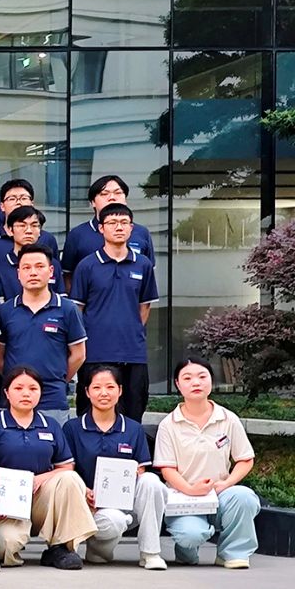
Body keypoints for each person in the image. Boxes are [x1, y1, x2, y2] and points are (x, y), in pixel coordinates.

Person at [0, 366, 96, 569]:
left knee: (70, 479)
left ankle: (61, 547)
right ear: (7, 393)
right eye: (18, 388)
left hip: (42, 497)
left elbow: (66, 466)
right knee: (4, 546)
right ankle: (15, 541)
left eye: (33, 388)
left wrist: (39, 479)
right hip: (9, 504)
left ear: (40, 393)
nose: (26, 393)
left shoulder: (50, 425)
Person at [153, 357, 260, 568]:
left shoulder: (228, 419)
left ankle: (232, 553)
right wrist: (190, 489)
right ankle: (186, 550)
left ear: (211, 381)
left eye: (202, 376)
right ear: (177, 384)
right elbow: (167, 469)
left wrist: (226, 484)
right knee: (191, 535)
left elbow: (245, 459)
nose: (196, 382)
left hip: (221, 494)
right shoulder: (169, 424)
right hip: (184, 498)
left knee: (244, 497)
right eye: (187, 378)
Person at [63, 366, 168, 569]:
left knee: (151, 481)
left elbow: (141, 469)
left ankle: (150, 553)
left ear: (120, 390)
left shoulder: (133, 429)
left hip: (124, 502)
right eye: (97, 387)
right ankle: (99, 549)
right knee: (114, 521)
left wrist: (130, 477)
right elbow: (67, 469)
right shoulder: (73, 428)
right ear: (87, 392)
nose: (104, 393)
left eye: (110, 387)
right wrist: (84, 491)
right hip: (87, 505)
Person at [69, 203, 157, 421]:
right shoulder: (87, 266)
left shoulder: (143, 264)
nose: (119, 227)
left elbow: (144, 306)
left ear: (131, 228)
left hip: (132, 353)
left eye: (124, 222)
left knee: (133, 413)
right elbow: (77, 309)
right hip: (95, 353)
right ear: (101, 228)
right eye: (112, 222)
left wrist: (131, 332)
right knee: (90, 415)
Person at [0, 245, 86, 423]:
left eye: (39, 266)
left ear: (51, 271)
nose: (33, 273)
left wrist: (58, 379)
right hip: (13, 399)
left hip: (53, 398)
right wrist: (17, 381)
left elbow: (79, 354)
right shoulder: (5, 311)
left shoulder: (67, 309)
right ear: (18, 273)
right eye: (26, 268)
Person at [62, 175, 156, 277]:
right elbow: (68, 275)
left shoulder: (141, 232)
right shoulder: (77, 234)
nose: (112, 198)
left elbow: (149, 274)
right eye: (104, 194)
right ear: (93, 202)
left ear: (125, 199)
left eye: (118, 193)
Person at [0, 205, 65, 299]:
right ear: (10, 230)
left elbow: (61, 298)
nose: (28, 231)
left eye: (34, 225)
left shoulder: (52, 263)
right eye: (22, 225)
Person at [0, 179, 61, 268]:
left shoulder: (47, 238)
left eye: (24, 198)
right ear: (2, 206)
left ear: (32, 203)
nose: (18, 202)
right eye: (12, 199)